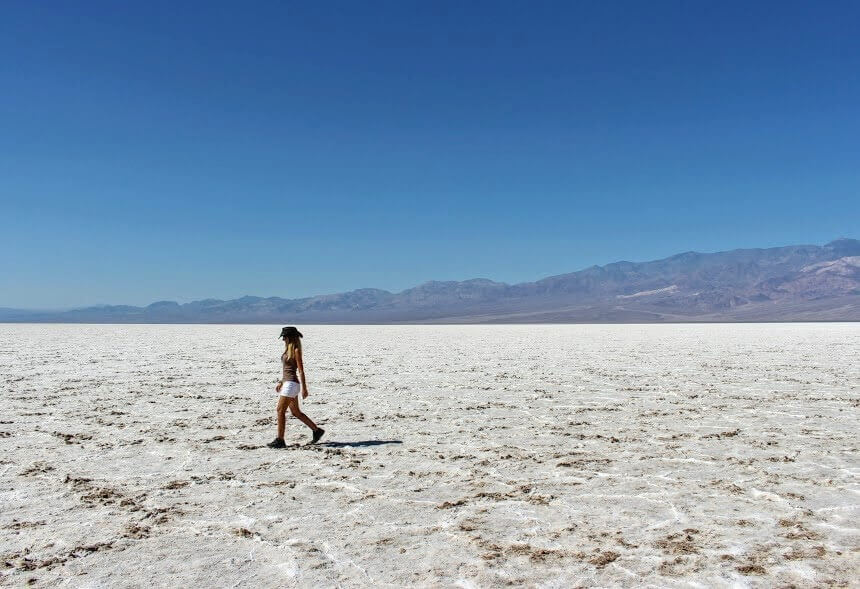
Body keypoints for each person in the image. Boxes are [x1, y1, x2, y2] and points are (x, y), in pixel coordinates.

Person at [267, 326, 325, 448]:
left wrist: (304, 388)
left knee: (280, 410)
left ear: (290, 337)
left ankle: (280, 440)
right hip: (288, 383)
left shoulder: (296, 350)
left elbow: (301, 371)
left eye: (284, 337)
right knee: (296, 412)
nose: (283, 339)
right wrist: (281, 382)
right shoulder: (287, 350)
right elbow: (287, 370)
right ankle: (317, 430)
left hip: (292, 384)